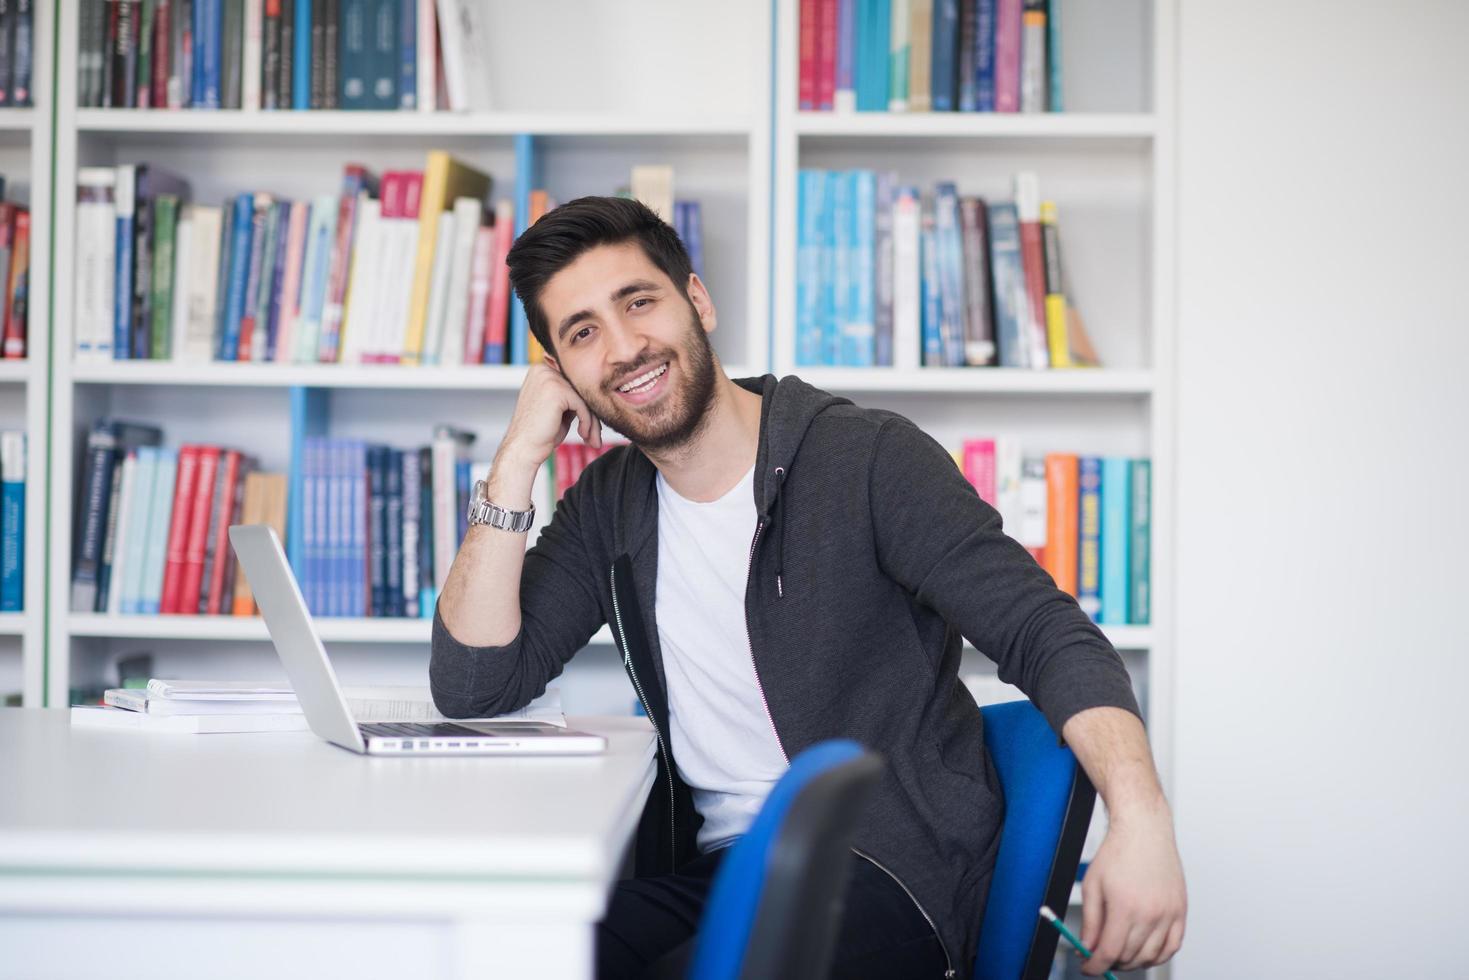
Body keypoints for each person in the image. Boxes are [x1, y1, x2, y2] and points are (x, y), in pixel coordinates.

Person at [430, 196, 1186, 979]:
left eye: (639, 301)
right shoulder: (608, 505)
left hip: (887, 872)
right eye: (583, 332)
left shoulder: (865, 459)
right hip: (718, 871)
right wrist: (517, 457)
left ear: (696, 300)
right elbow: (476, 685)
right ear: (559, 370)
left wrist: (1141, 821)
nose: (624, 348)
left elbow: (1044, 630)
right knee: (514, 955)